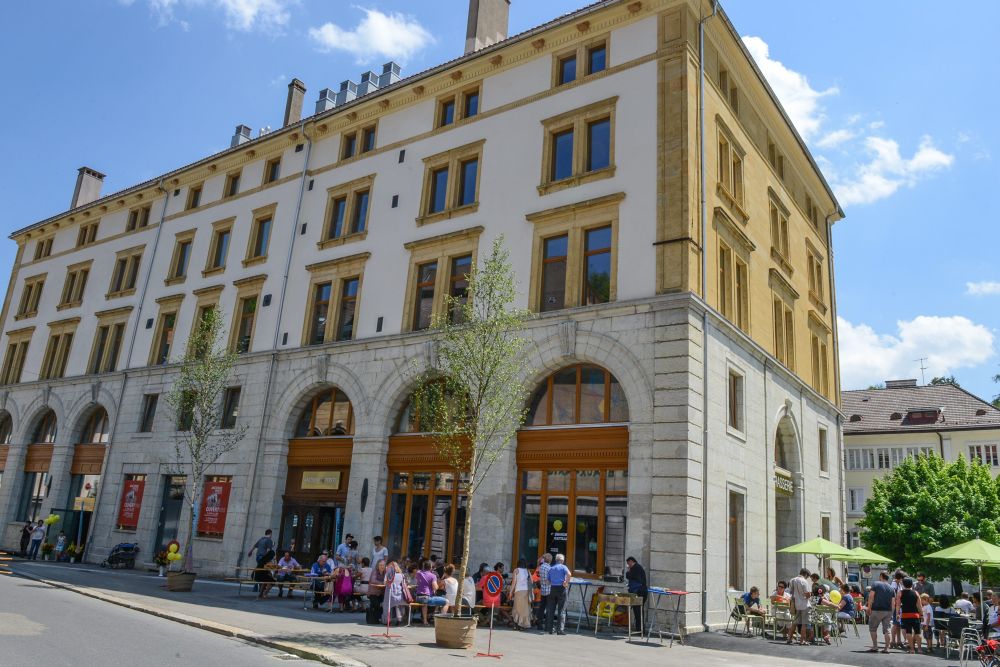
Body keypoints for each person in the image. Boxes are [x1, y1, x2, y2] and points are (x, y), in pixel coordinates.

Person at [867, 571, 894, 653]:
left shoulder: (876, 584)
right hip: (888, 611)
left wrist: (869, 607)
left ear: (881, 576)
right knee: (887, 630)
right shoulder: (891, 588)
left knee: (873, 629)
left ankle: (875, 646)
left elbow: (871, 596)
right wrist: (891, 612)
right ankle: (886, 648)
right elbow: (893, 602)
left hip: (876, 610)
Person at [544, 554, 571, 635]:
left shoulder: (551, 568)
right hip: (561, 589)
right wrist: (566, 582)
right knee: (561, 610)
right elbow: (569, 574)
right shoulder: (563, 567)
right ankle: (560, 630)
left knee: (551, 610)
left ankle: (550, 629)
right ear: (562, 561)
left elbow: (547, 581)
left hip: (553, 589)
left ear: (556, 560)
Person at [414, 560, 447, 624]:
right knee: (446, 602)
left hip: (418, 597)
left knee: (425, 604)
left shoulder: (418, 573)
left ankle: (425, 620)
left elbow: (418, 581)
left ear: (423, 566)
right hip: (426, 597)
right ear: (431, 567)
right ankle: (441, 620)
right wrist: (438, 585)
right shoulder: (432, 576)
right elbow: (435, 587)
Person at [896, 577, 921, 654]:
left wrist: (897, 614)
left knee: (908, 632)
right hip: (915, 615)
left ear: (903, 584)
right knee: (917, 632)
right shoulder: (916, 593)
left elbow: (898, 605)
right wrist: (922, 615)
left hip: (905, 615)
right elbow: (919, 605)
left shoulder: (900, 593)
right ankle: (919, 649)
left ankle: (912, 649)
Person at [787, 568, 812, 645]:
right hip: (804, 604)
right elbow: (807, 594)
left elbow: (790, 592)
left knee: (795, 622)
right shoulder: (804, 581)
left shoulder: (792, 580)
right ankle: (802, 641)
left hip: (796, 604)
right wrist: (810, 595)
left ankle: (789, 639)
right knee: (804, 624)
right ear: (806, 574)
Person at [383, 560, 410, 626]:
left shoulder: (388, 574)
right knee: (398, 606)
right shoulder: (402, 575)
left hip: (390, 594)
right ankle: (399, 620)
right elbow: (404, 584)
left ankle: (387, 620)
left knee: (387, 605)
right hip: (400, 595)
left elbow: (385, 583)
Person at [625, 556, 648, 633]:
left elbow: (628, 576)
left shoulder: (636, 568)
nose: (628, 565)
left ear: (631, 561)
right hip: (641, 591)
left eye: (628, 563)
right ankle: (639, 628)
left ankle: (640, 629)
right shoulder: (637, 567)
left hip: (639, 592)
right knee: (638, 610)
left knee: (638, 610)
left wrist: (628, 571)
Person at [509, 558, 532, 629]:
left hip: (518, 591)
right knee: (525, 609)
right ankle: (523, 624)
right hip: (526, 591)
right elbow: (531, 581)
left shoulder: (516, 570)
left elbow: (514, 582)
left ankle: (517, 625)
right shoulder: (527, 571)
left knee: (517, 608)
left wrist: (510, 592)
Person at [535, 554, 553, 629]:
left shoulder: (541, 567)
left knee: (541, 608)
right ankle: (548, 626)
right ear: (550, 560)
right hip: (549, 590)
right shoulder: (550, 568)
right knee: (549, 609)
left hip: (543, 590)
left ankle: (539, 625)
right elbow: (551, 579)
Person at [367, 559, 387, 624]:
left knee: (383, 604)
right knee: (377, 605)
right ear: (377, 566)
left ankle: (378, 618)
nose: (382, 566)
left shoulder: (385, 573)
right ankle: (375, 618)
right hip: (373, 593)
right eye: (380, 565)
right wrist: (383, 583)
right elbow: (373, 580)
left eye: (383, 565)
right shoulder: (375, 572)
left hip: (381, 593)